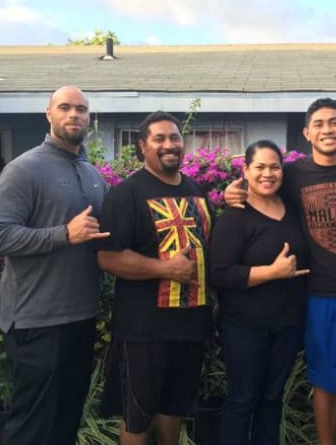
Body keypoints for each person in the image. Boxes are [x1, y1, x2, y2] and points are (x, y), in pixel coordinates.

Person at [225, 98, 336, 445]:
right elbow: (260, 187)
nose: (327, 129)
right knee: (325, 382)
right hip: (320, 296)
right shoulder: (293, 176)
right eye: (318, 124)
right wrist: (230, 193)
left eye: (334, 122)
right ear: (306, 133)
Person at [0, 86, 110, 445]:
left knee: (65, 422)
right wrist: (62, 235)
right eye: (65, 108)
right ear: (48, 115)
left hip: (81, 317)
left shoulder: (92, 174)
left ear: (89, 118)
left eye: (81, 109)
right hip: (36, 321)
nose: (74, 115)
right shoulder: (24, 169)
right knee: (31, 427)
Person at [97, 111, 214, 445]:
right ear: (142, 146)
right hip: (143, 329)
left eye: (174, 137)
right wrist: (164, 269)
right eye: (159, 139)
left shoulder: (197, 191)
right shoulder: (127, 194)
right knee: (138, 415)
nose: (169, 145)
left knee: (173, 409)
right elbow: (106, 256)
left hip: (191, 325)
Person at [210, 140, 310, 445]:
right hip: (245, 326)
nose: (268, 174)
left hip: (287, 324)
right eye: (260, 167)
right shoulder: (235, 217)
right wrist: (272, 273)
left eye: (275, 167)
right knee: (243, 400)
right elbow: (219, 274)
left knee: (272, 399)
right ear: (246, 171)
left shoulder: (293, 208)